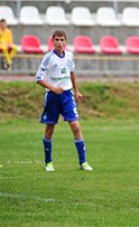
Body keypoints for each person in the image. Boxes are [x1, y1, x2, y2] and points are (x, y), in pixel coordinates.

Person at [35, 30, 93, 172]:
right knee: (50, 129)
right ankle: (48, 162)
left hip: (67, 95)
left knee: (76, 127)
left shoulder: (69, 56)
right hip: (53, 97)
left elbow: (72, 73)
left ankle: (83, 162)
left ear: (65, 41)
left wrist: (76, 90)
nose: (59, 43)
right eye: (57, 40)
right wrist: (53, 89)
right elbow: (38, 78)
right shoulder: (48, 58)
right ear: (53, 41)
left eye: (62, 40)